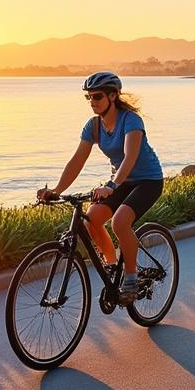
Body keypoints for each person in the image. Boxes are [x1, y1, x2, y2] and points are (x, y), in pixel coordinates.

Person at [38, 72, 164, 296]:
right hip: (120, 181)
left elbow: (130, 157)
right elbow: (77, 160)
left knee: (120, 222)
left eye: (97, 96)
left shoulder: (131, 120)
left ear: (113, 95)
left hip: (147, 180)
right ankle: (113, 266)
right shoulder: (94, 126)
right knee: (91, 220)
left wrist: (111, 186)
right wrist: (56, 190)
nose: (92, 102)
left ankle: (132, 277)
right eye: (88, 98)